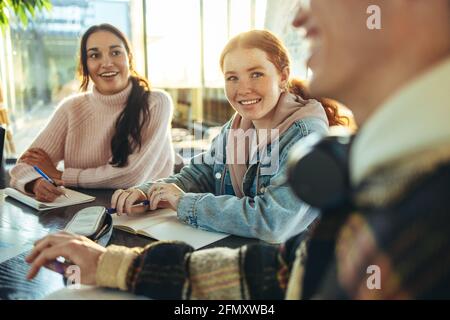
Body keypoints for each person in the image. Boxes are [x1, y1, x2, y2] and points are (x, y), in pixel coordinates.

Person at [27, 0, 450, 300]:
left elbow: (273, 227)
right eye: (232, 77)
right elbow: (285, 275)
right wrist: (149, 203)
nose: (301, 15)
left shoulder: (424, 207)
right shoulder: (389, 174)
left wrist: (185, 203)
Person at [109, 30, 349, 243]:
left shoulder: (305, 136)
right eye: (232, 77)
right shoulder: (236, 127)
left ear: (283, 76)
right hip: (243, 255)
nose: (243, 89)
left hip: (295, 273)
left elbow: (272, 222)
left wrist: (183, 203)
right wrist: (147, 191)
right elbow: (199, 174)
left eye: (256, 74)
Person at [9, 24, 174, 202]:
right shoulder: (71, 109)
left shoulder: (157, 103)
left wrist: (61, 175)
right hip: (80, 213)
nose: (107, 63)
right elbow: (22, 167)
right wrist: (36, 183)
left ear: (129, 58)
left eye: (115, 52)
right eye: (95, 55)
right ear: (85, 66)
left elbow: (132, 176)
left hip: (145, 217)